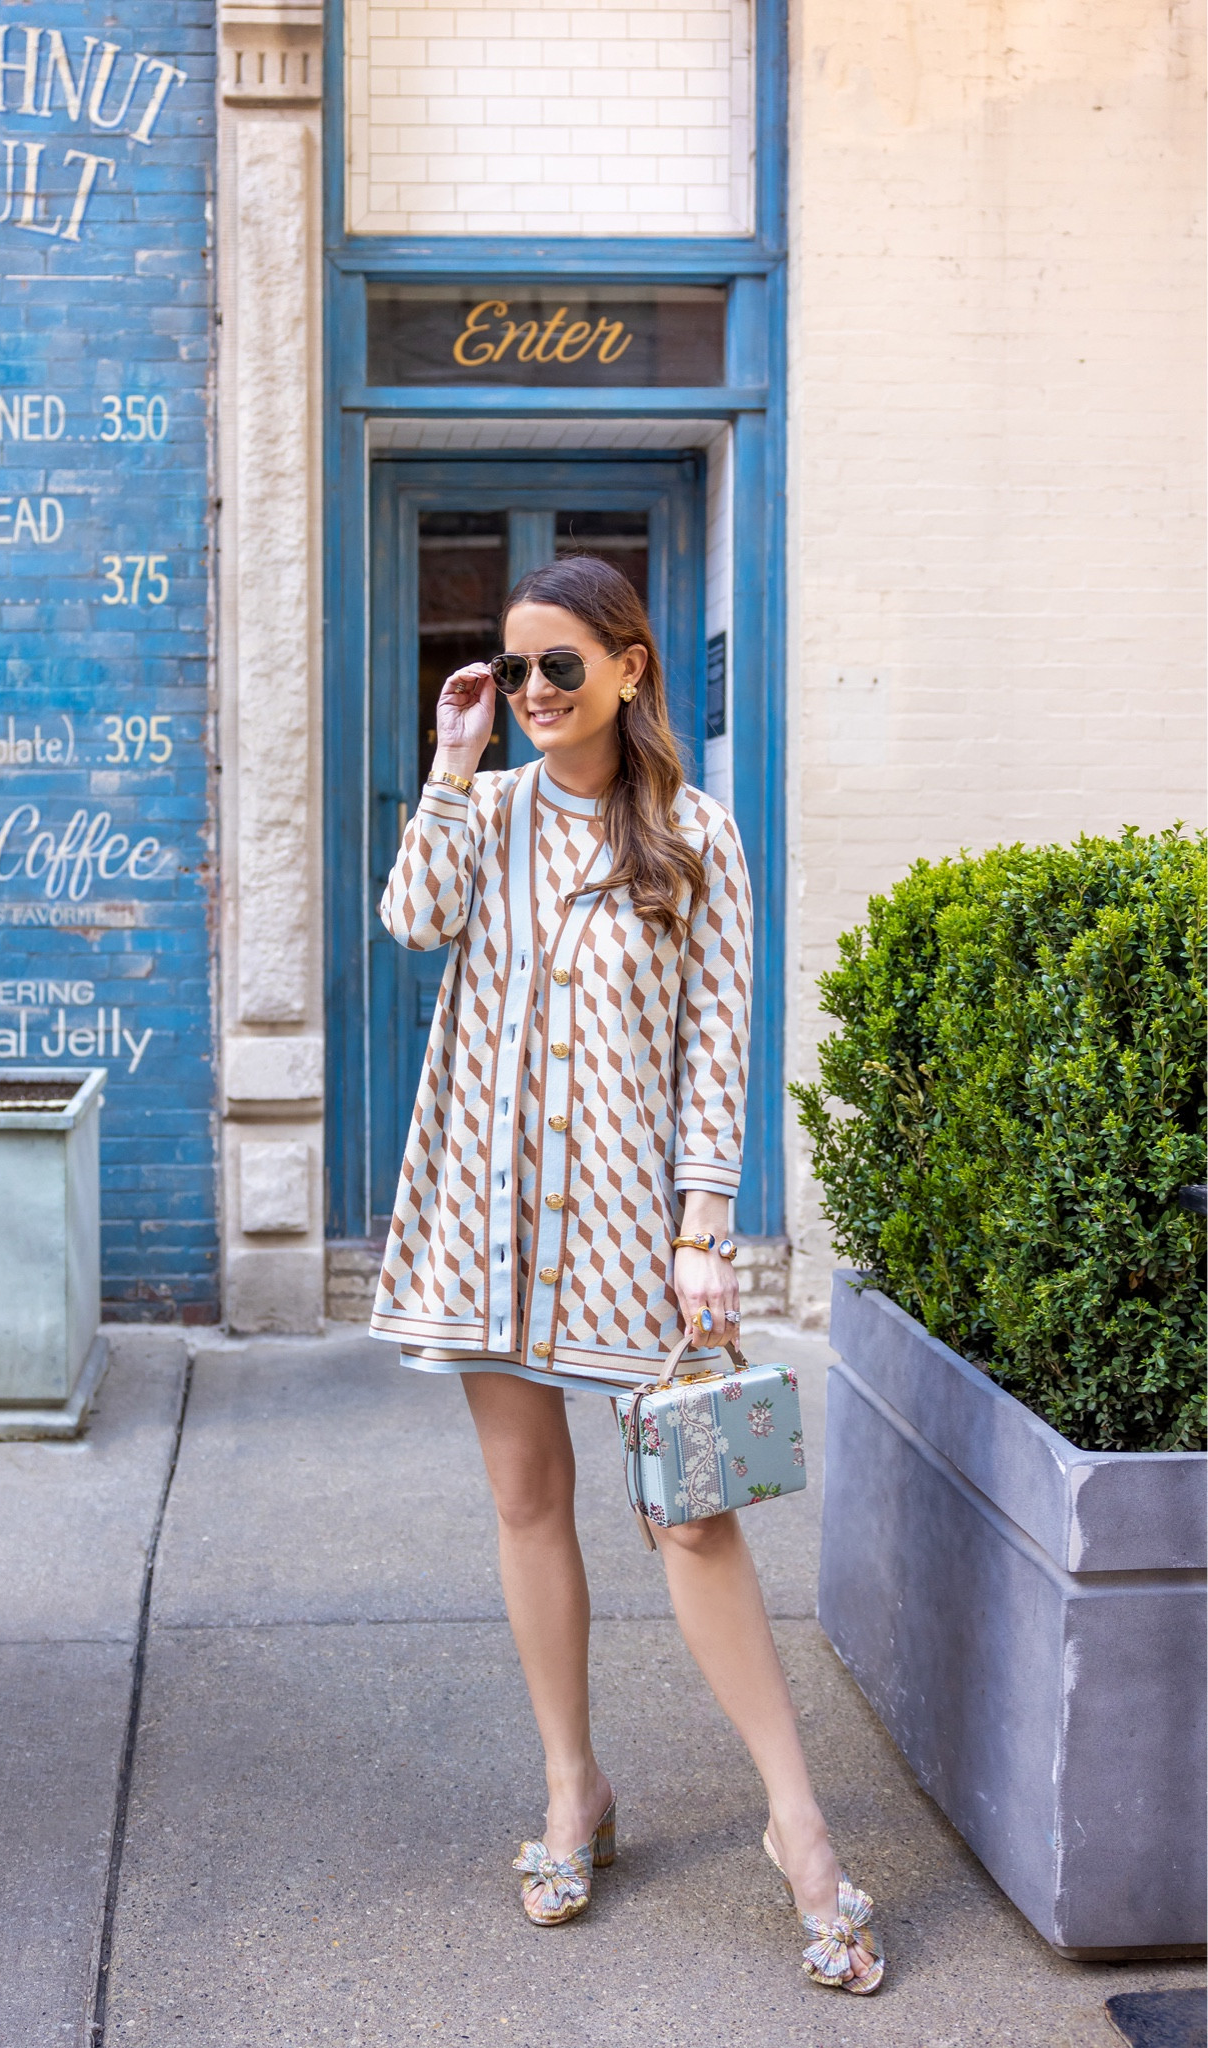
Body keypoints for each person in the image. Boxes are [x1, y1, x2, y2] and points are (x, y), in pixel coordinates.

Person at [369, 554, 883, 1993]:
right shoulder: (490, 808)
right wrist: (451, 758)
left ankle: (798, 1824)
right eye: (514, 668)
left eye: (560, 668)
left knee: (695, 1522)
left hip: (626, 1234)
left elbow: (717, 1049)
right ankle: (571, 1790)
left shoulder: (699, 837)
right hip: (482, 1216)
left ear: (630, 669)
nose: (534, 691)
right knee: (528, 1502)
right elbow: (413, 923)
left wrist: (702, 1232)